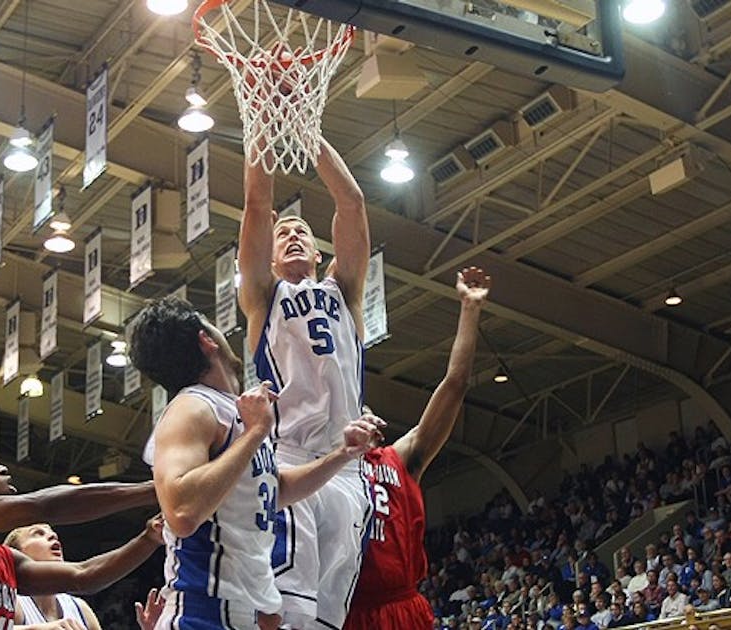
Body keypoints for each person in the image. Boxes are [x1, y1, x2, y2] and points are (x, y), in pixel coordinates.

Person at [128, 296, 383, 630]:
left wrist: (341, 454)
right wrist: (257, 431)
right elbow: (182, 512)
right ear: (206, 340)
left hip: (245, 612)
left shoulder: (232, 410)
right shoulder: (190, 408)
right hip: (202, 613)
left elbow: (274, 490)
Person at [239, 135, 372, 629]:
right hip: (289, 460)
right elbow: (258, 203)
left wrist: (306, 133)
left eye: (302, 232)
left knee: (327, 617)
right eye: (283, 233)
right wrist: (266, 129)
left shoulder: (346, 291)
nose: (293, 235)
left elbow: (352, 202)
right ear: (270, 257)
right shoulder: (262, 295)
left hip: (347, 467)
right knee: (287, 609)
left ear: (319, 252)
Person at [345, 267, 488, 630]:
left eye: (366, 410)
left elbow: (455, 384)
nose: (364, 415)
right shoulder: (324, 465)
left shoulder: (400, 458)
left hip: (402, 606)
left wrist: (470, 310)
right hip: (347, 609)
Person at [0, 447, 158, 630]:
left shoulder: (4, 561)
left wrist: (149, 538)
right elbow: (45, 506)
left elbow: (83, 576)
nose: (1, 467)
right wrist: (155, 490)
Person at [4, 519, 163, 630]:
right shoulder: (13, 602)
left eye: (52, 533)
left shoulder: (79, 608)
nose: (52, 535)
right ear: (17, 553)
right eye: (37, 533)